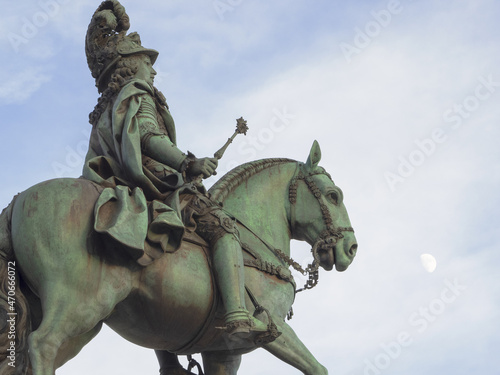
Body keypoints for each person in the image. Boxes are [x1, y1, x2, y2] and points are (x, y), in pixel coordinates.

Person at [83, 0, 272, 340]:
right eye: (146, 63)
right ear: (129, 67)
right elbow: (149, 138)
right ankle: (237, 314)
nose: (153, 72)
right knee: (222, 226)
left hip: (119, 183)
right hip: (155, 186)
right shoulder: (138, 92)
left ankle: (169, 362)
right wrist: (188, 164)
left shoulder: (105, 108)